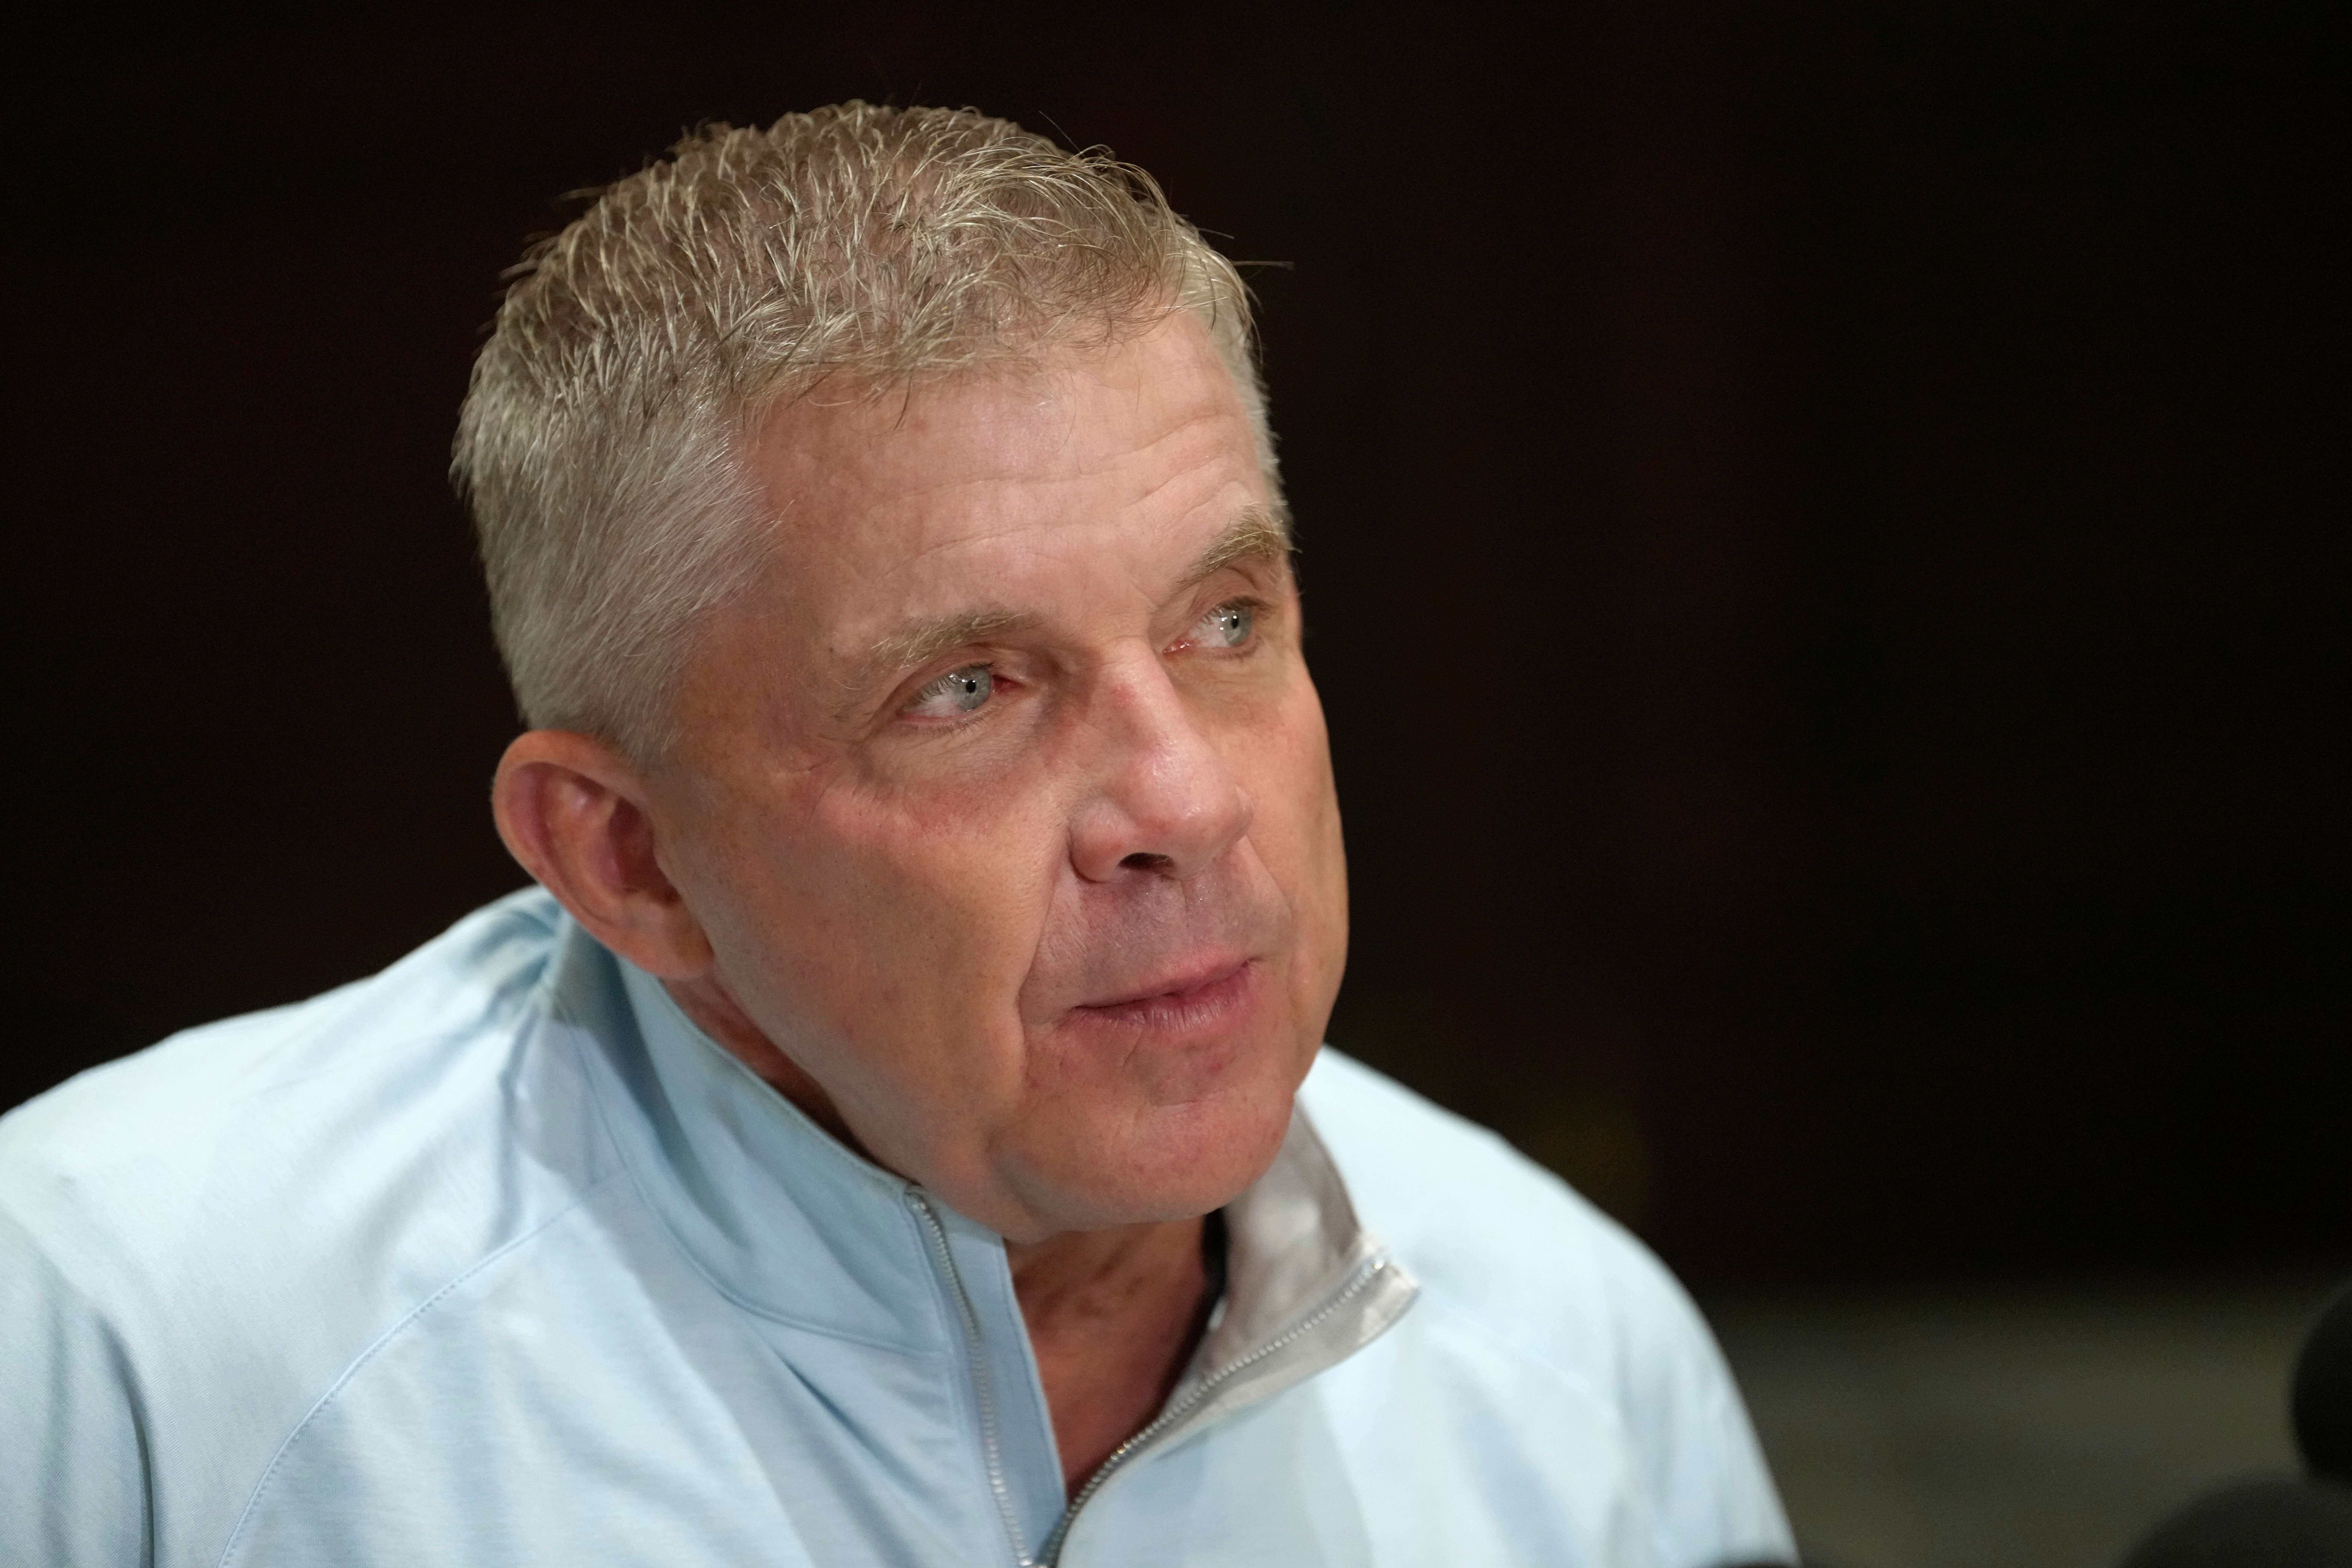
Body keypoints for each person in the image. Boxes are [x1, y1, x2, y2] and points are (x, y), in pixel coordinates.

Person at [0, 103, 1794, 1567]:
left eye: (1225, 621)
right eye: (970, 690)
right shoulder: (121, 1344)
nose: (1189, 802)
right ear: (625, 857)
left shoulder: (1572, 1363)